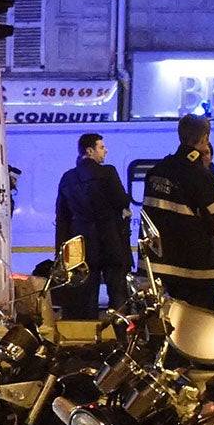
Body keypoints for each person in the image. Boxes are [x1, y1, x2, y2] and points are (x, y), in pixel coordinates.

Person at [142, 114, 214, 308]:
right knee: (197, 325)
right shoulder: (198, 174)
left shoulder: (158, 170)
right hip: (194, 268)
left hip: (162, 264)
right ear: (204, 138)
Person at [54, 131, 133, 317]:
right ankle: (119, 333)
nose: (105, 151)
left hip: (82, 246)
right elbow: (122, 200)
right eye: (101, 147)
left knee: (85, 296)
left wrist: (62, 250)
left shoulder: (68, 178)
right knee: (117, 292)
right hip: (111, 242)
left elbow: (62, 217)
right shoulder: (108, 173)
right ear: (90, 151)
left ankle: (86, 336)